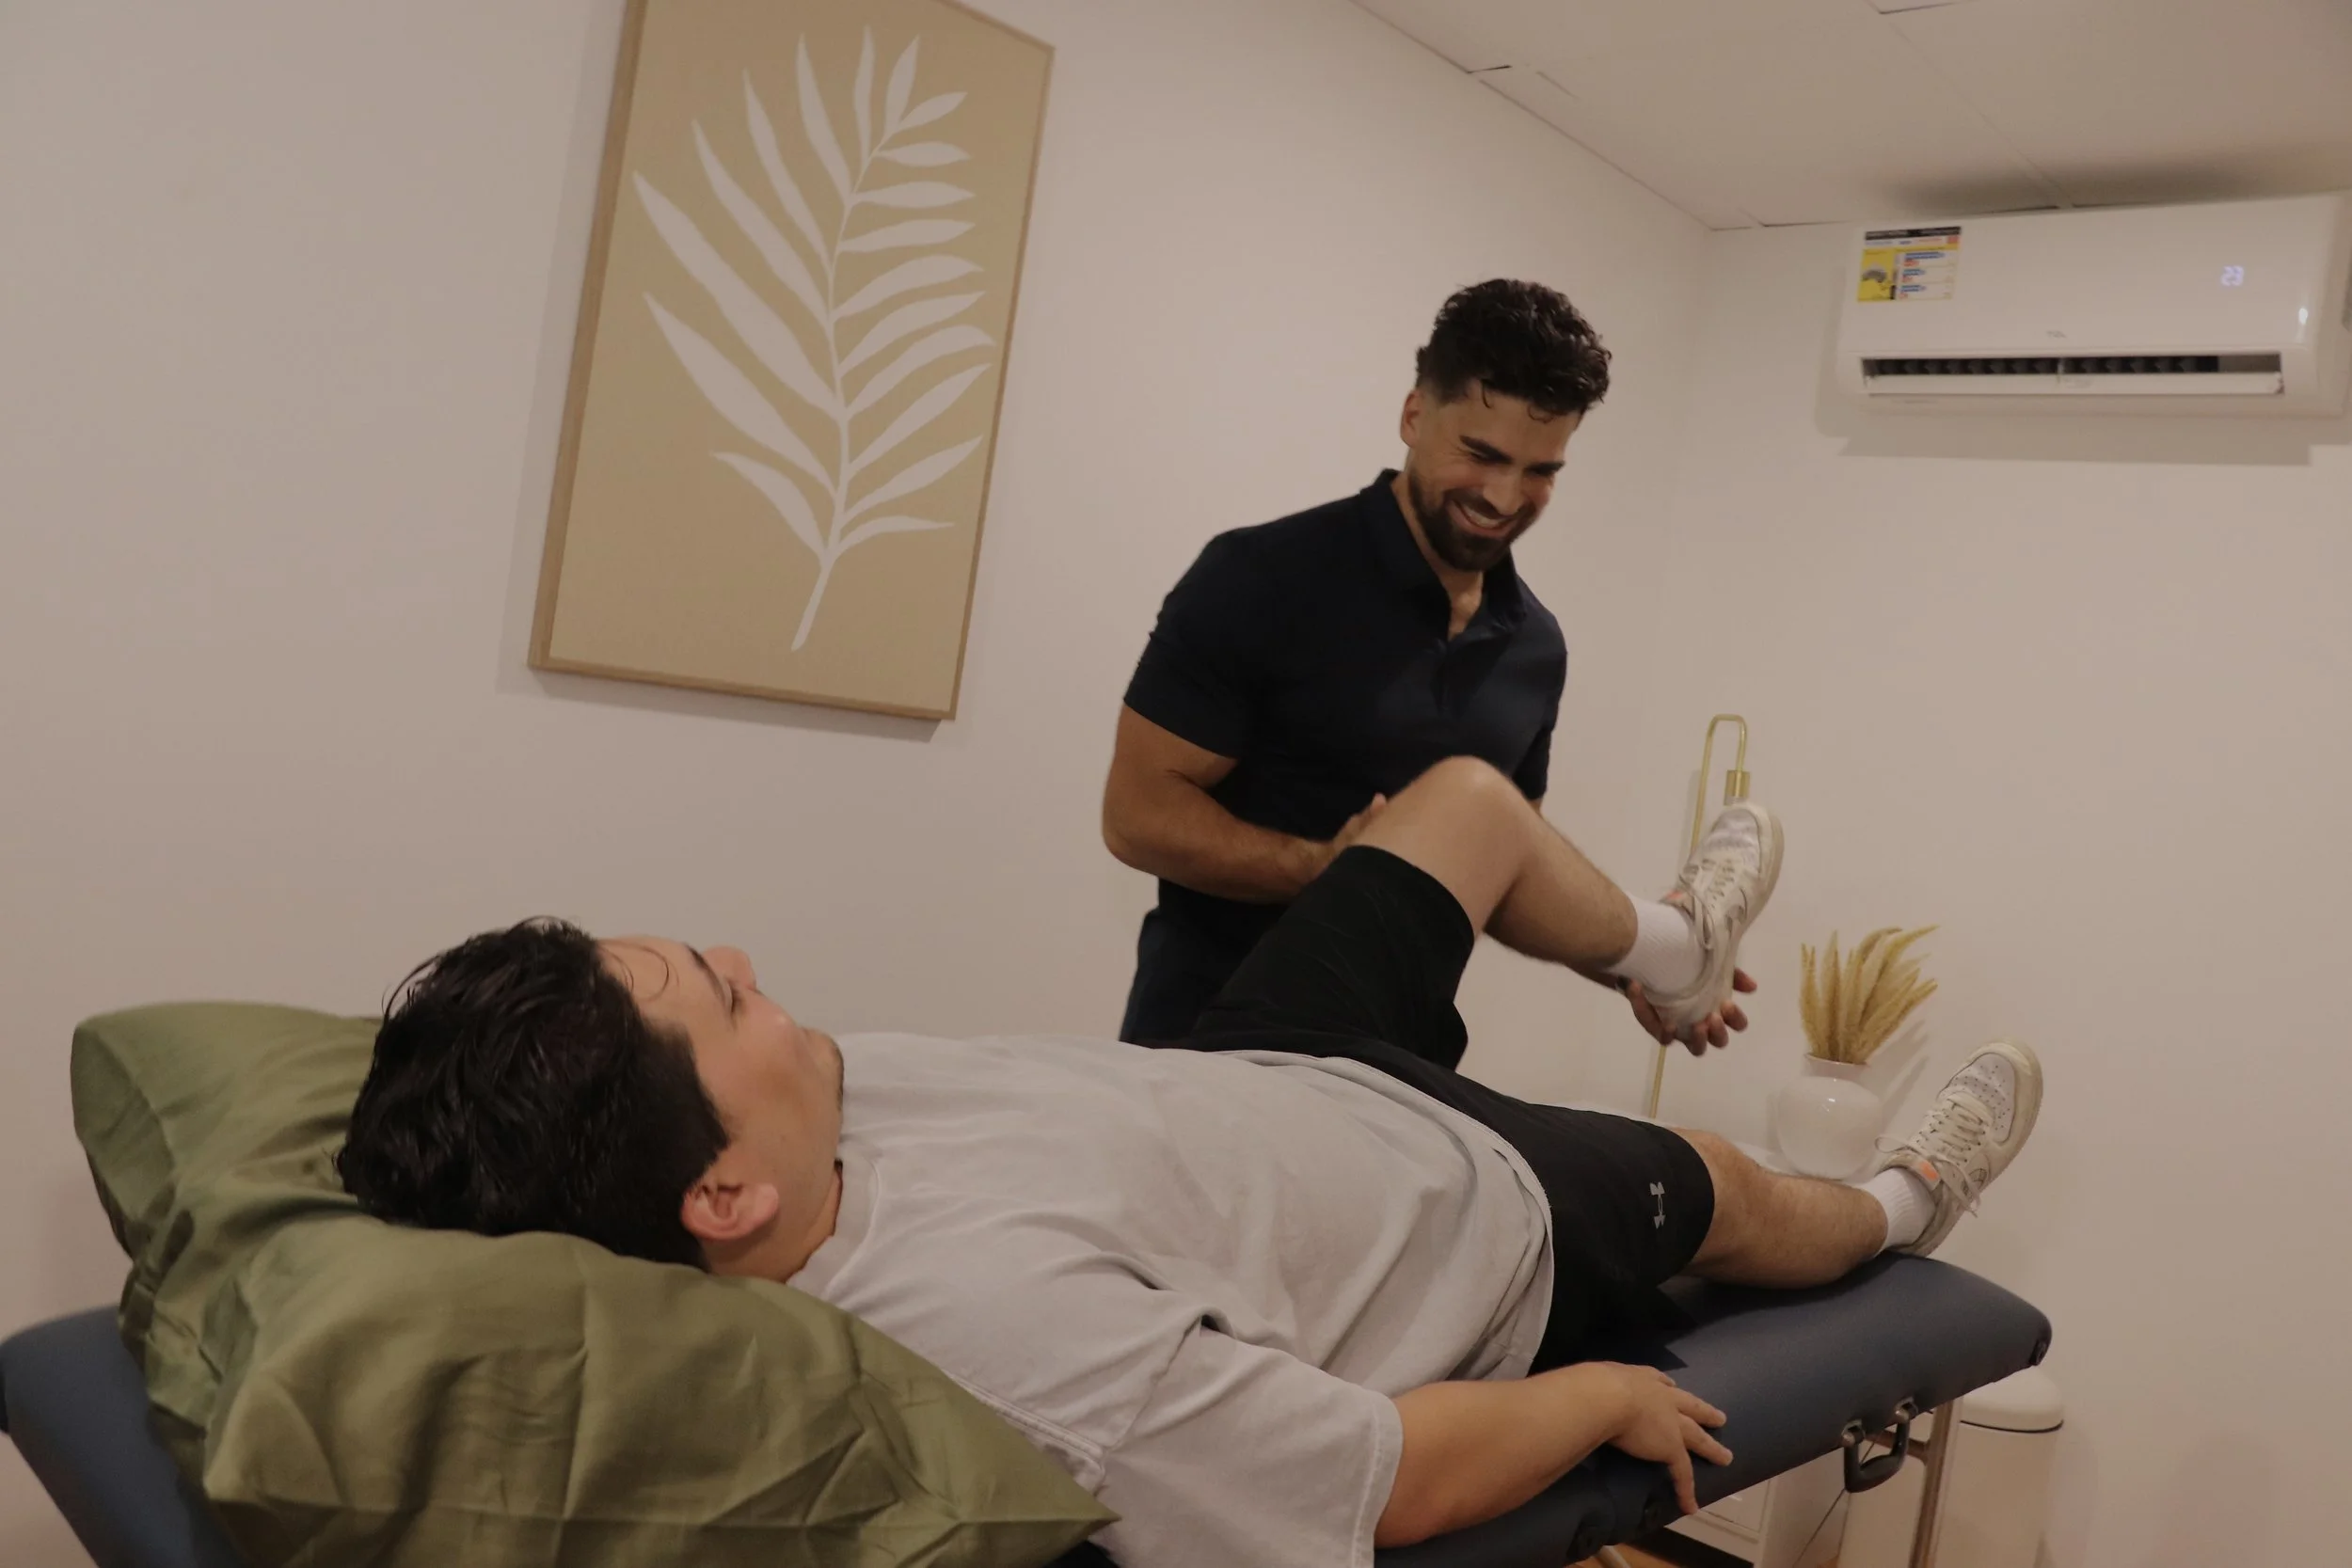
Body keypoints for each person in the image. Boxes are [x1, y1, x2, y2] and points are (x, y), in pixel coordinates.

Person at [339, 760, 2042, 1568]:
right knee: (1742, 1188)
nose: (749, 965)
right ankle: (1908, 1196)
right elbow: (1379, 1477)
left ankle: (1668, 951)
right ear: (723, 1197)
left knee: (1458, 804)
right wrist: (1597, 1398)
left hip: (1256, 1078)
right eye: (726, 997)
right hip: (1474, 1203)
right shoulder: (1009, 1347)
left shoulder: (784, 1134)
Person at [1105, 278, 1726, 1049]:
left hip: (1401, 1067)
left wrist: (1628, 970)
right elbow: (1136, 816)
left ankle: (1669, 947)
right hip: (1210, 1041)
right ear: (1412, 416)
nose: (1504, 496)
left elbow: (1504, 862)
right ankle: (1675, 937)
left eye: (1541, 471)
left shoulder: (1535, 645)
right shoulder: (1259, 576)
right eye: (1481, 454)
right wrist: (1321, 864)